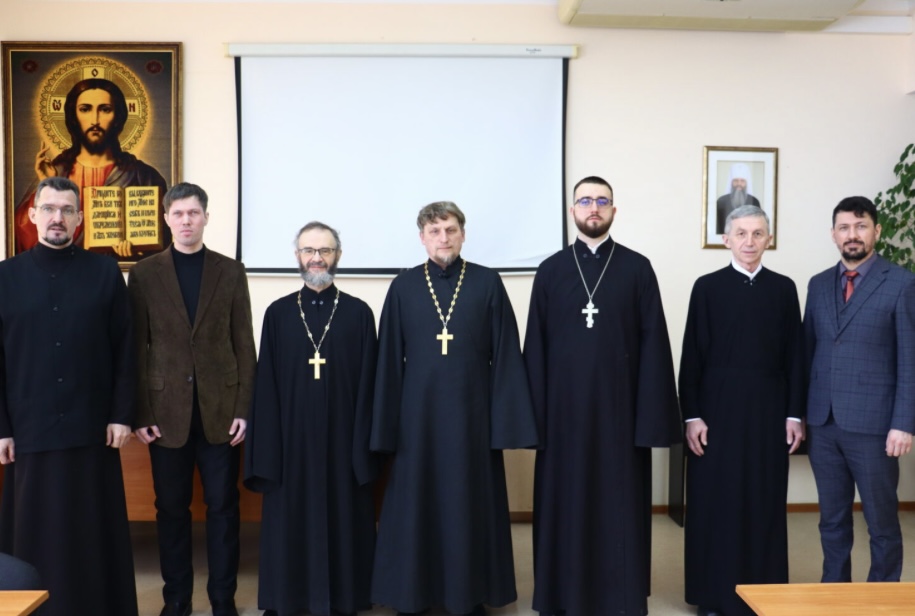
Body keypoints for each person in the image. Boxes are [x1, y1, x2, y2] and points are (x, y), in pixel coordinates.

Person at [523, 176, 681, 616]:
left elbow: (654, 344)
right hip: (563, 417)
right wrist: (535, 420)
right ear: (572, 210)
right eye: (585, 200)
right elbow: (535, 347)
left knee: (619, 505)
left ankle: (621, 597)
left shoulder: (637, 268)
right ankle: (560, 596)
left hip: (620, 415)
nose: (593, 207)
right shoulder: (551, 270)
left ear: (614, 209)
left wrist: (650, 421)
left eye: (602, 200)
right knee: (565, 504)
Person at [371, 201, 538, 616]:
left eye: (450, 230)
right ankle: (411, 595)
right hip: (417, 419)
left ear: (463, 234)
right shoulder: (404, 286)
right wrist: (385, 426)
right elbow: (388, 360)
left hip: (472, 417)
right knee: (416, 505)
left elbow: (506, 354)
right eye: (434, 231)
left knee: (468, 504)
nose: (443, 238)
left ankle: (469, 595)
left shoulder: (487, 282)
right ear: (422, 238)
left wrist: (507, 424)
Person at [0, 176, 138, 616]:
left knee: (90, 531)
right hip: (29, 431)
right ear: (32, 215)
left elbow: (126, 348)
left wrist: (121, 415)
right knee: (34, 533)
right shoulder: (5, 276)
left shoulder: (105, 273)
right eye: (49, 208)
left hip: (91, 429)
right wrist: (1, 428)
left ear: (79, 219)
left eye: (66, 210)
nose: (57, 217)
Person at [128, 182, 257, 616]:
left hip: (221, 412)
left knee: (223, 508)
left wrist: (244, 409)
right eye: (178, 213)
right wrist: (141, 411)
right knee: (171, 510)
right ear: (167, 218)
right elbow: (136, 347)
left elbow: (244, 344)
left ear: (206, 217)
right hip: (165, 414)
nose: (186, 220)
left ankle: (223, 598)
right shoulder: (145, 274)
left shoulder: (230, 271)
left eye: (194, 213)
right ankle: (177, 599)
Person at [245, 221, 378, 616]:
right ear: (297, 256)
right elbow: (266, 383)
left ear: (338, 256)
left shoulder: (358, 313)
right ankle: (285, 599)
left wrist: (364, 448)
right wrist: (268, 446)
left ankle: (346, 598)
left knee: (344, 516)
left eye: (325, 250)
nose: (316, 258)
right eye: (309, 250)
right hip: (292, 440)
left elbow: (370, 386)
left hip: (343, 438)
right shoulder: (278, 313)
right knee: (290, 517)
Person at [680, 205, 805, 616]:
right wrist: (692, 415)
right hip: (716, 413)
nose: (749, 242)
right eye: (741, 233)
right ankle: (713, 596)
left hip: (768, 413)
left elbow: (796, 356)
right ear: (726, 239)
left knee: (763, 501)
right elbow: (691, 356)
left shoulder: (784, 289)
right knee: (716, 503)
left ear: (768, 238)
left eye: (757, 233)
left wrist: (794, 414)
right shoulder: (706, 287)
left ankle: (764, 595)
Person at [804, 195, 915, 583]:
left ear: (876, 231)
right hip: (823, 424)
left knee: (881, 523)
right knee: (832, 520)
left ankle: (881, 599)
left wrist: (904, 424)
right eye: (844, 227)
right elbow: (808, 351)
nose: (852, 234)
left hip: (875, 427)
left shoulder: (902, 284)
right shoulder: (818, 284)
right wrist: (799, 415)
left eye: (861, 226)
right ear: (833, 234)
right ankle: (834, 594)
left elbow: (910, 359)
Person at [15, 77, 169, 259]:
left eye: (105, 110)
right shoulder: (57, 172)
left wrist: (139, 249)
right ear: (73, 117)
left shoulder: (144, 176)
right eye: (85, 109)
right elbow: (23, 236)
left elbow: (163, 243)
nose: (95, 120)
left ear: (118, 117)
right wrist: (48, 183)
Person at [716, 163, 760, 234]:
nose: (739, 184)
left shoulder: (754, 202)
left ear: (747, 183)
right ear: (731, 182)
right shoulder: (721, 202)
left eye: (742, 181)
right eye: (735, 181)